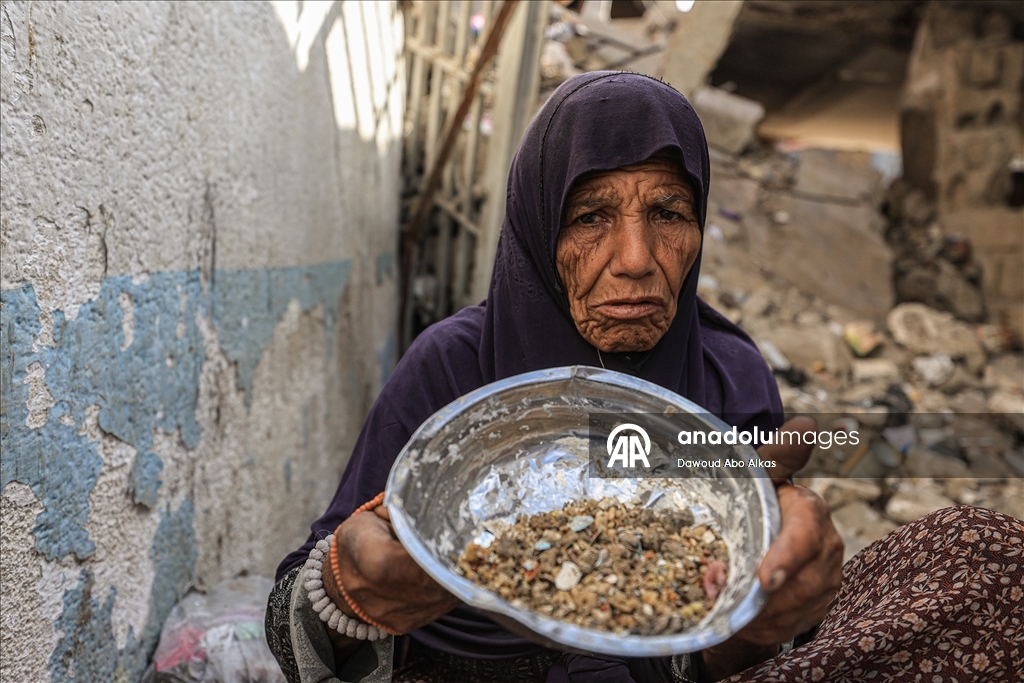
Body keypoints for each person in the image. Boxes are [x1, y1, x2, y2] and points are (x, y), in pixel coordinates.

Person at [266, 72, 1024, 683]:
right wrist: (345, 587)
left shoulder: (729, 375)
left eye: (668, 211)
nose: (635, 256)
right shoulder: (456, 367)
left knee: (978, 555)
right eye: (591, 215)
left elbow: (741, 628)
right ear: (538, 227)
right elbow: (293, 610)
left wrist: (775, 605)